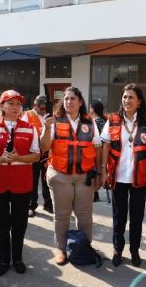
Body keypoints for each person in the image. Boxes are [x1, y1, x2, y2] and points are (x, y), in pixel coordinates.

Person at [0, 90, 40, 276]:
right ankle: (4, 259)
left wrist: (19, 157)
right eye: (10, 103)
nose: (15, 107)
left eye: (18, 104)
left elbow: (36, 155)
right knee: (1, 224)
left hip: (21, 182)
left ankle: (18, 258)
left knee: (20, 223)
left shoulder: (30, 128)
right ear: (1, 106)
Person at [40, 87, 102, 265]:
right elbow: (44, 148)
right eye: (66, 99)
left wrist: (99, 172)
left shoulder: (89, 122)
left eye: (73, 99)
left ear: (80, 102)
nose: (69, 102)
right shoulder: (54, 121)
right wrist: (46, 129)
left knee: (84, 215)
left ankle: (85, 246)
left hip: (84, 176)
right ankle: (61, 248)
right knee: (62, 215)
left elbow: (97, 148)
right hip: (60, 176)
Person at [100, 84, 146, 267]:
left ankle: (134, 251)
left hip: (139, 178)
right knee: (119, 217)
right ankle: (118, 249)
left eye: (131, 97)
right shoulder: (113, 120)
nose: (127, 101)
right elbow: (106, 145)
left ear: (139, 102)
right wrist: (103, 169)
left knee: (136, 217)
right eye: (124, 97)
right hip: (118, 178)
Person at [22, 95, 53, 217]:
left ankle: (48, 204)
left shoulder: (48, 115)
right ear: (35, 105)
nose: (43, 110)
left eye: (45, 107)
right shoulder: (28, 115)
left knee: (46, 179)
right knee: (33, 180)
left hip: (46, 152)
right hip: (33, 152)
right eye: (41, 108)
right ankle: (31, 205)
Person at [90, 100, 107, 202]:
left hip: (96, 149)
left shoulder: (95, 122)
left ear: (93, 109)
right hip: (101, 149)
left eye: (90, 107)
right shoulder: (104, 120)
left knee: (95, 170)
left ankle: (95, 193)